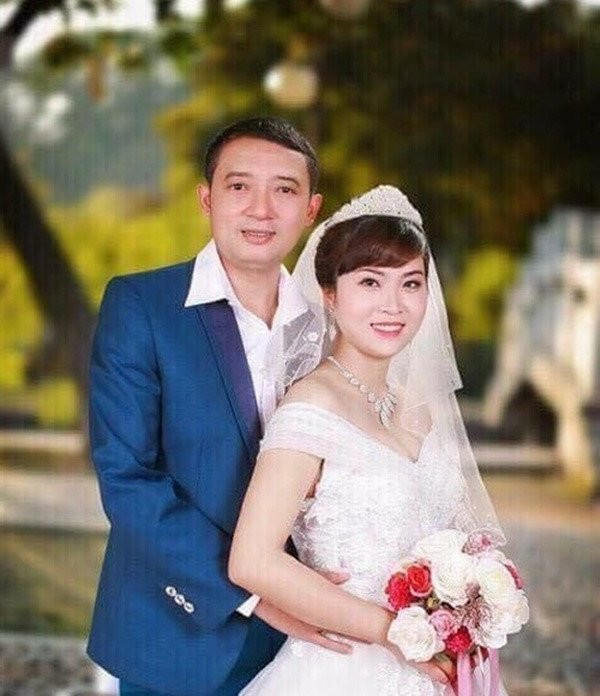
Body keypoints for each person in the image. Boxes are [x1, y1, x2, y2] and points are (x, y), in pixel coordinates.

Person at [87, 117, 353, 696]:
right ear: (207, 199)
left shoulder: (336, 326)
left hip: (315, 644)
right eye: (239, 186)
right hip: (176, 631)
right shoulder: (141, 306)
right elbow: (127, 479)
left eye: (284, 189)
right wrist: (256, 593)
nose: (261, 209)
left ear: (311, 209)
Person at [229, 185, 510, 695]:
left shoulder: (420, 407)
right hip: (345, 669)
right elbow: (252, 559)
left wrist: (470, 598)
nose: (393, 305)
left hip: (436, 672)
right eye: (370, 282)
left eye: (411, 283)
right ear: (330, 294)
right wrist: (392, 632)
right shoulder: (310, 406)